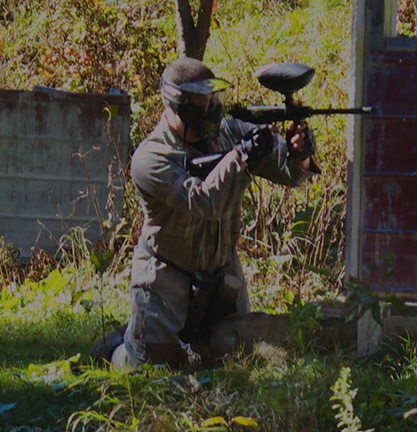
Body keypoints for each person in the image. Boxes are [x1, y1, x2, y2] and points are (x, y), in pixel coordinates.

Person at [96, 57, 315, 370]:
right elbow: (205, 202)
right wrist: (240, 158)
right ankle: (116, 348)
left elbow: (289, 172)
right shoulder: (151, 158)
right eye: (203, 103)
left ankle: (173, 343)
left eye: (215, 100)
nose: (212, 109)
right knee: (150, 371)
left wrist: (298, 152)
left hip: (221, 277)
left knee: (234, 362)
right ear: (178, 105)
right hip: (166, 280)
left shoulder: (228, 133)